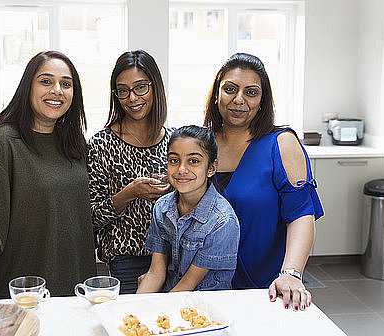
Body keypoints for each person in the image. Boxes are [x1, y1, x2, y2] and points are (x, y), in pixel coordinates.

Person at [0, 51, 96, 307]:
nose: (57, 90)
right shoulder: (2, 142)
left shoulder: (74, 144)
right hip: (21, 293)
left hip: (74, 289)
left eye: (66, 84)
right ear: (28, 87)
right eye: (46, 81)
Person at [204, 53, 324, 311]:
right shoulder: (201, 144)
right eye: (230, 89)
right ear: (217, 94)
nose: (239, 100)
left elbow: (302, 214)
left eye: (251, 92)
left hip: (265, 287)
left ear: (262, 101)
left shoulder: (282, 143)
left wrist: (291, 273)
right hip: (204, 284)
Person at [88, 50, 173, 294]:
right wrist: (129, 193)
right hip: (127, 263)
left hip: (175, 259)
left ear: (155, 87)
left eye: (140, 87)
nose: (132, 98)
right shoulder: (101, 144)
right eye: (122, 90)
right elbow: (91, 218)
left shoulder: (174, 141)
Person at [137, 125, 239, 293]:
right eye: (174, 160)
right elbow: (156, 273)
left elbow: (187, 286)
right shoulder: (161, 208)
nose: (181, 169)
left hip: (204, 307)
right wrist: (132, 311)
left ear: (211, 168)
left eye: (193, 161)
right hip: (171, 296)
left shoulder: (223, 221)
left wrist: (157, 314)